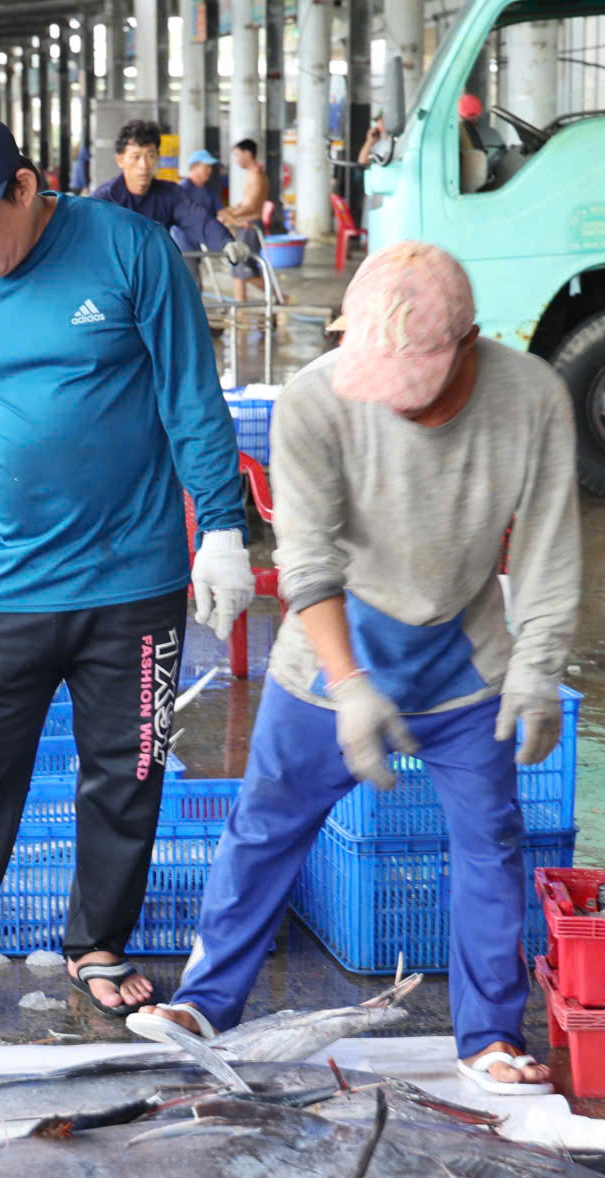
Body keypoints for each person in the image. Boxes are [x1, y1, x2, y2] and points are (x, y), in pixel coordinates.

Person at [133, 243, 580, 1092]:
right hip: (331, 647)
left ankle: (488, 1037)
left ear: (470, 343)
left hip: (465, 654)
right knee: (266, 823)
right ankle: (207, 1001)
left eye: (421, 384)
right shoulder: (314, 400)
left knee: (490, 841)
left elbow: (551, 546)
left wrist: (539, 663)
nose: (401, 405)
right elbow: (306, 561)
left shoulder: (532, 397)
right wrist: (348, 684)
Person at [0, 113, 251, 1035]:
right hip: (1, 582)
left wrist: (223, 528)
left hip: (135, 577)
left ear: (26, 186)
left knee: (129, 769)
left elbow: (190, 395)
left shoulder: (130, 251)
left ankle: (98, 943)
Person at [86, 119, 231, 253]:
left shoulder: (170, 194)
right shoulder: (103, 200)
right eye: (136, 157)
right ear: (120, 160)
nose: (144, 165)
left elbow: (198, 220)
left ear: (158, 157)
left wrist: (226, 243)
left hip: (155, 267)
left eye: (150, 156)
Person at [216, 138, 273, 301]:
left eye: (237, 154)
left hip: (250, 226)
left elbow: (251, 206)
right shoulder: (251, 175)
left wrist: (229, 216)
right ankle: (240, 310)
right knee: (238, 269)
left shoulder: (256, 176)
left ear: (247, 154)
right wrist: (228, 211)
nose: (235, 159)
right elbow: (244, 204)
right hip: (245, 225)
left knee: (243, 270)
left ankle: (278, 296)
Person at [177, 148, 225, 224]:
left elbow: (221, 211)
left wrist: (237, 222)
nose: (210, 170)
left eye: (210, 167)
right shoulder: (183, 187)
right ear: (194, 167)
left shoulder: (208, 188)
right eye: (207, 166)